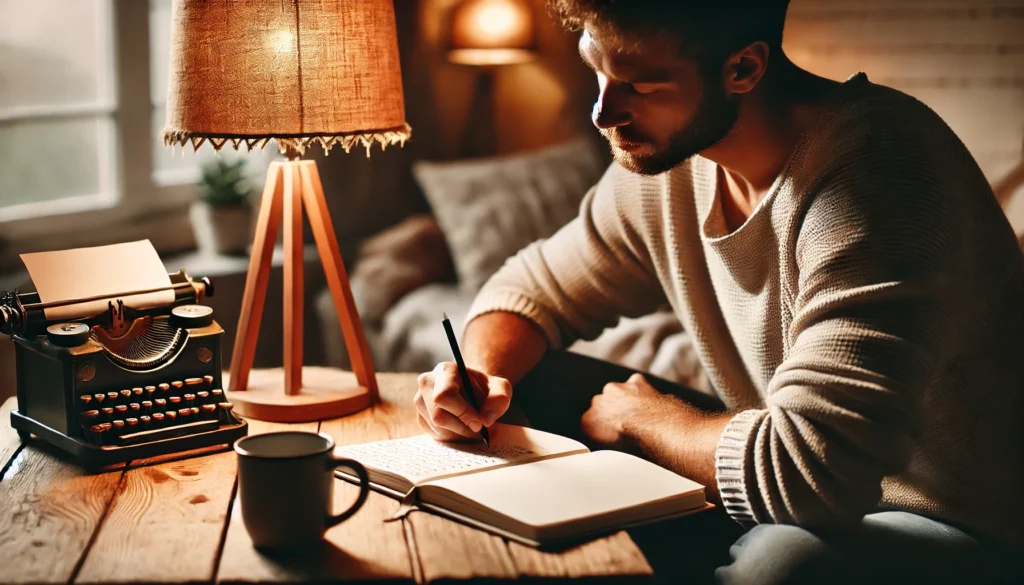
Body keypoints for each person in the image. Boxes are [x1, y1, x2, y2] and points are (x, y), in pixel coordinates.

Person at [413, 1, 1024, 583]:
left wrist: (645, 421)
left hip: (954, 521)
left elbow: (810, 471)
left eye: (642, 86)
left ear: (743, 68)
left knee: (779, 565)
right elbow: (533, 288)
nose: (602, 112)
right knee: (530, 380)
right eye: (594, 69)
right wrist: (477, 377)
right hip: (798, 478)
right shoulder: (672, 161)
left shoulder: (881, 175)